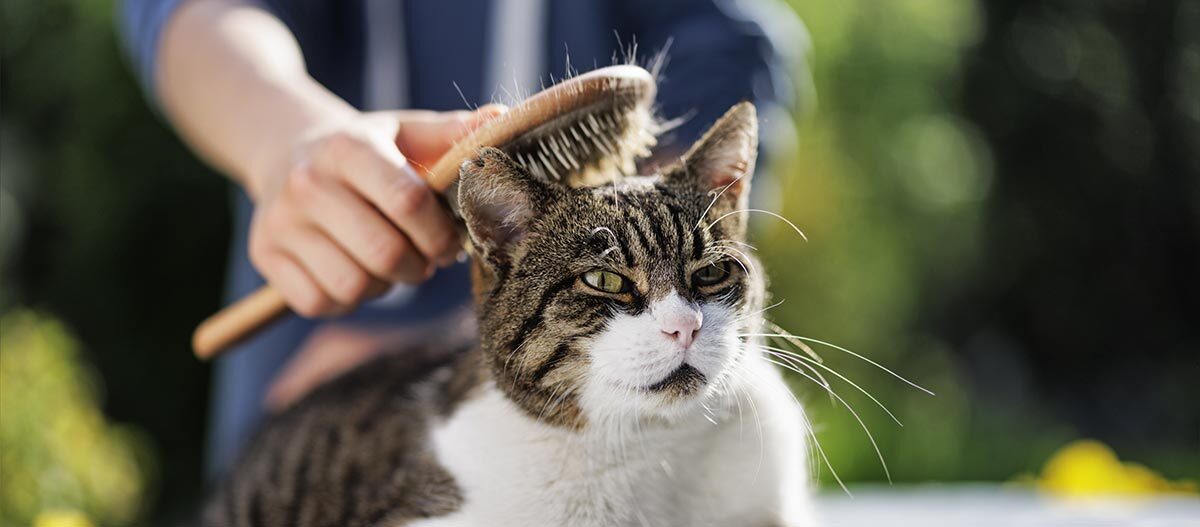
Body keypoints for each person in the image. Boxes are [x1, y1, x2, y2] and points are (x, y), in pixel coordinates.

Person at [119, 0, 803, 479]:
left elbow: (724, 49)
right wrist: (286, 137)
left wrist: (597, 307)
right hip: (314, 388)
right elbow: (190, 10)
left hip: (601, 410)